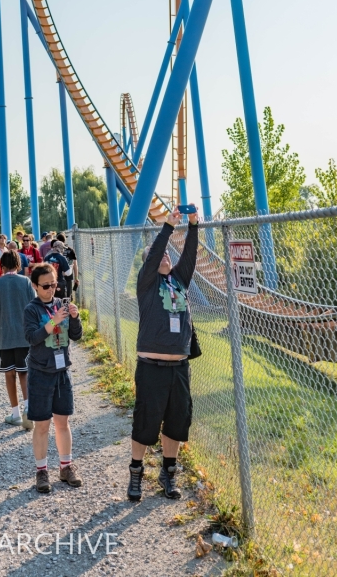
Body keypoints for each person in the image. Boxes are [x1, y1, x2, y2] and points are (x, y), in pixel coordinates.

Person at [127, 206, 199, 503]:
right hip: (151, 367)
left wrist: (193, 226)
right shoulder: (147, 283)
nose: (167, 257)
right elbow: (156, 253)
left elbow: (190, 257)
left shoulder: (179, 280)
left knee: (176, 422)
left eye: (169, 255)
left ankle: (168, 473)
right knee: (146, 422)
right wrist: (167, 228)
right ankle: (136, 472)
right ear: (150, 264)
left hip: (178, 368)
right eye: (161, 257)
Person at [23, 263, 83, 493]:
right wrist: (53, 321)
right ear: (35, 286)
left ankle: (66, 467)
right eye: (46, 286)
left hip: (62, 371)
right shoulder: (32, 309)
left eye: (54, 284)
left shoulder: (61, 305)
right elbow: (32, 337)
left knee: (63, 422)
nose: (51, 289)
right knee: (42, 425)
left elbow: (75, 336)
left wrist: (75, 318)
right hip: (40, 373)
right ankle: (41, 471)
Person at [0, 251, 35, 429]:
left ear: (2, 266)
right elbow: (33, 304)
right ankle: (28, 409)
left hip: (5, 335)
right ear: (18, 264)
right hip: (24, 334)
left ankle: (15, 413)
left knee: (10, 374)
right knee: (25, 372)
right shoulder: (26, 281)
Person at [55, 233, 79, 300]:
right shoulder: (71, 250)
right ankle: (67, 309)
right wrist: (76, 277)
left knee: (58, 296)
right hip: (69, 276)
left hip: (58, 277)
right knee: (68, 296)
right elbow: (75, 265)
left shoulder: (55, 251)